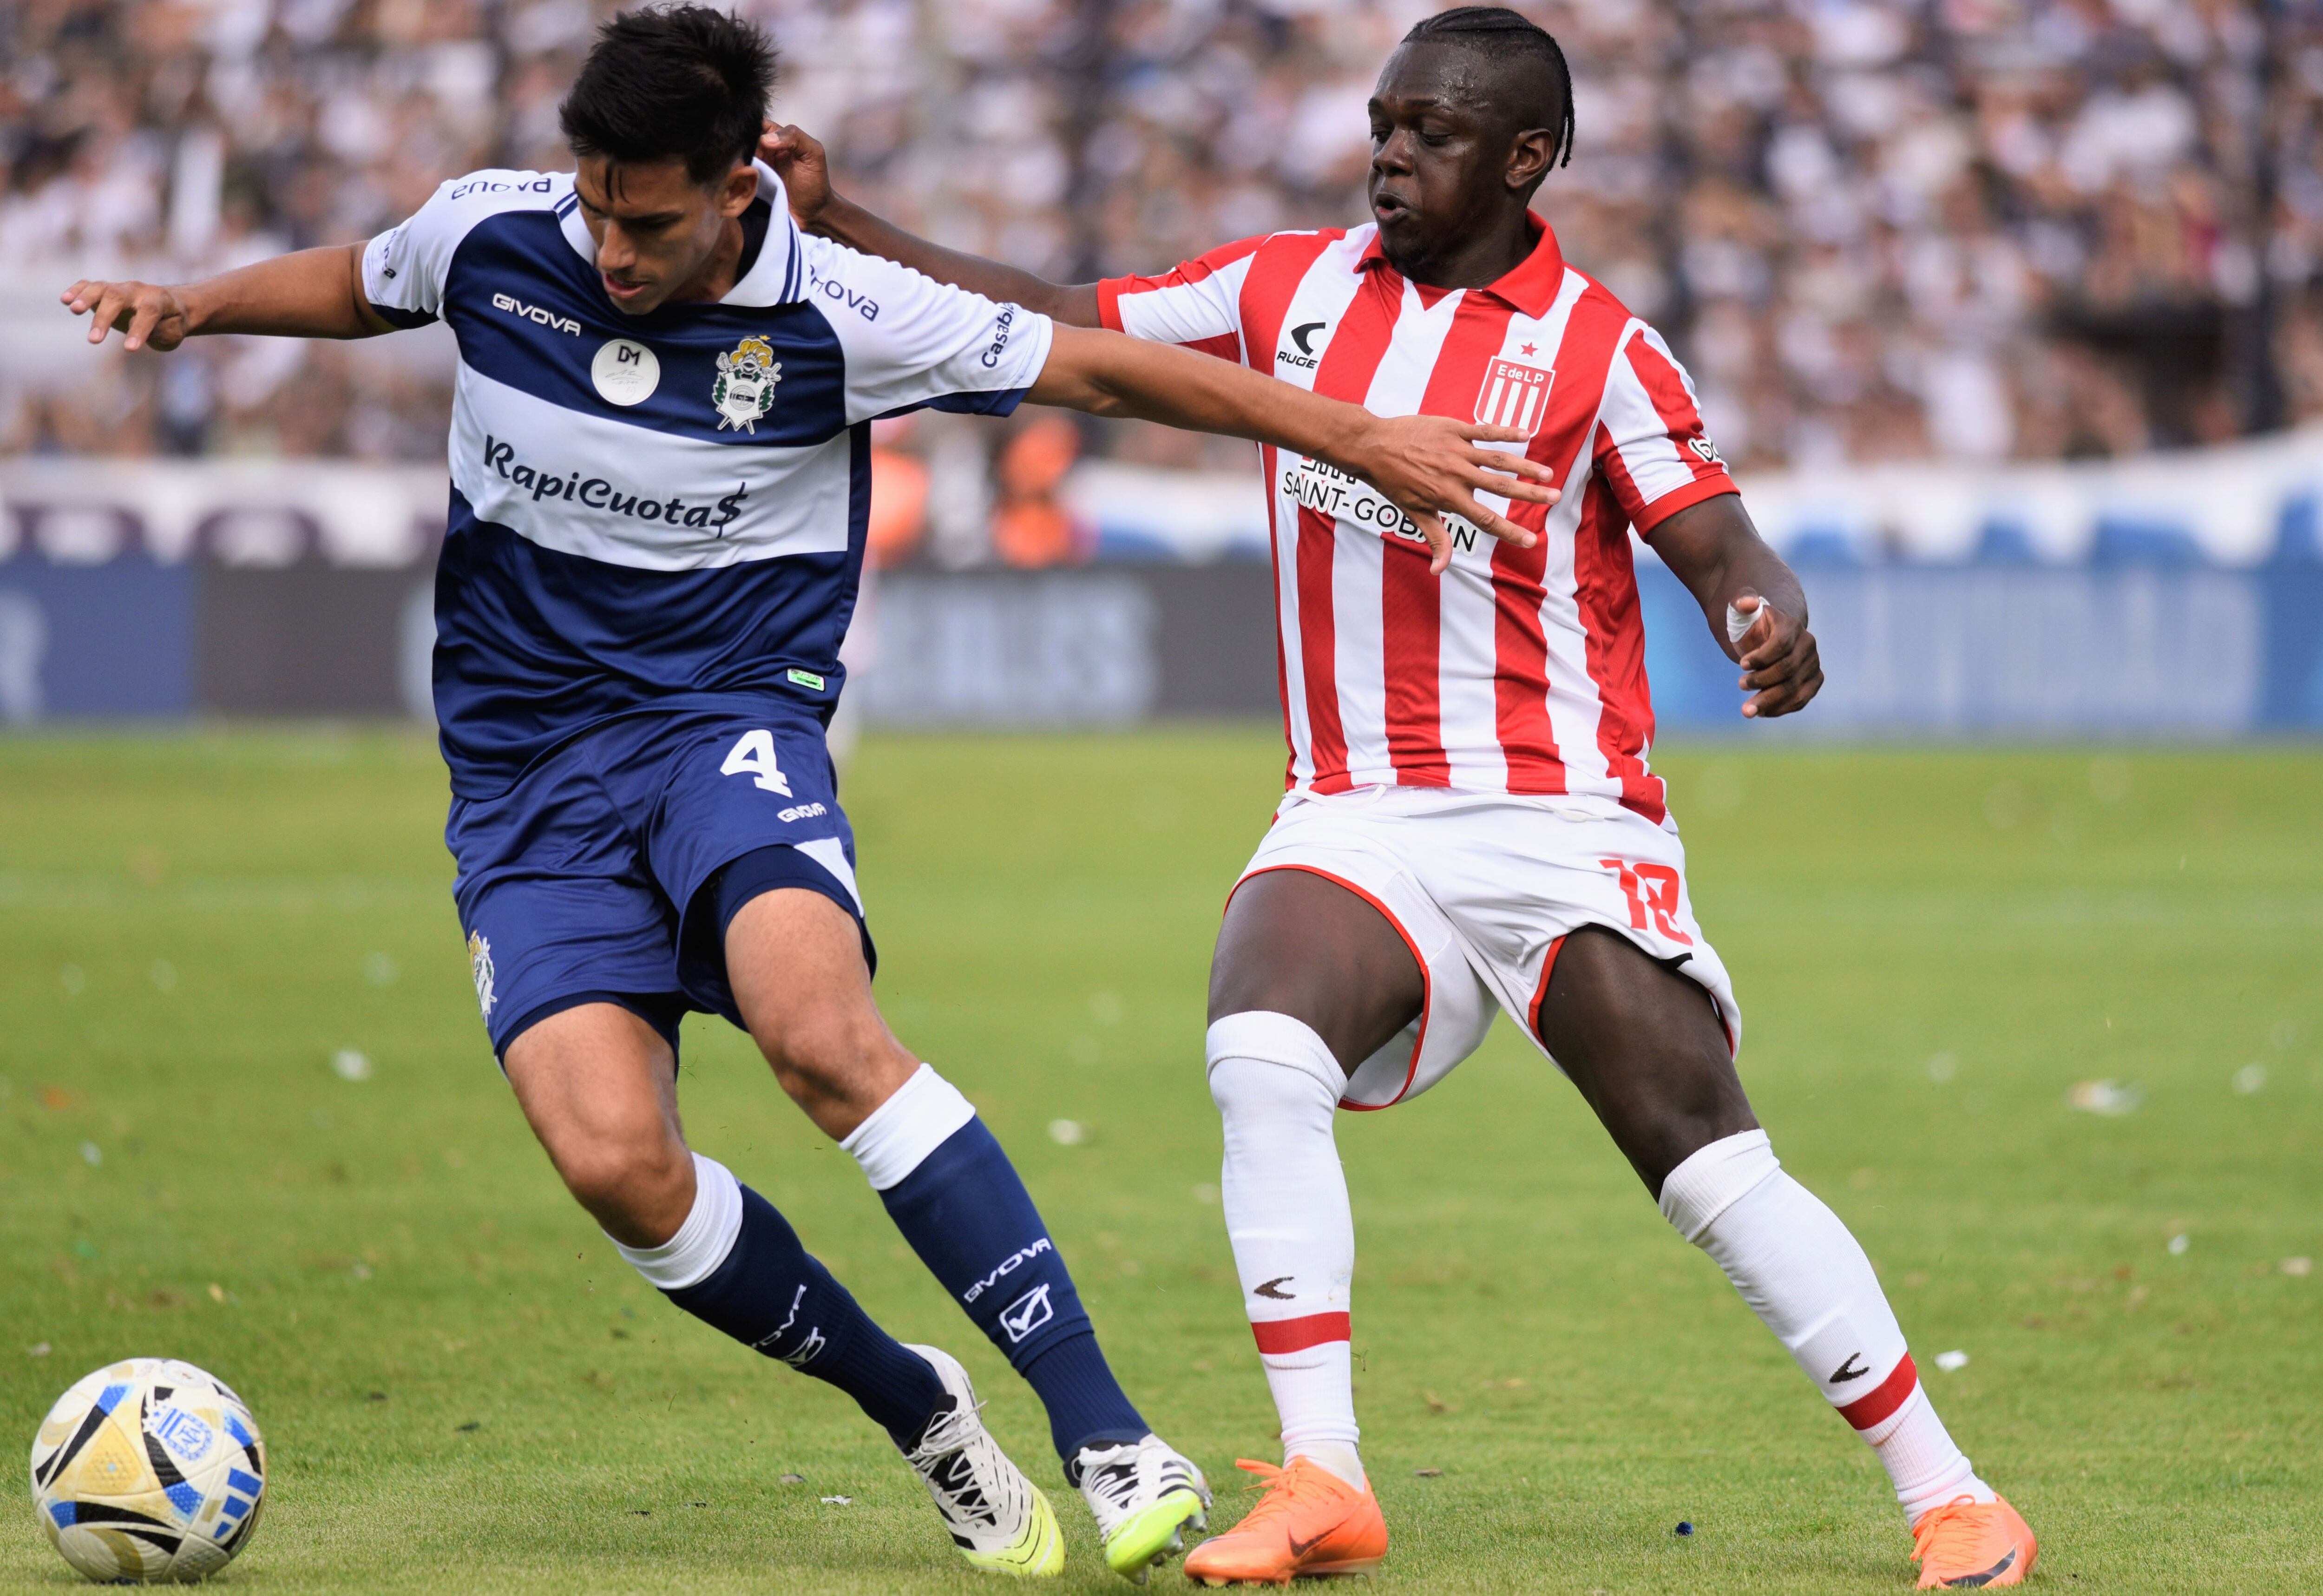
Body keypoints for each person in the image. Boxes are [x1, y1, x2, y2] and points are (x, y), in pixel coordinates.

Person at [60, 7, 1553, 1582]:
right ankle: (917, 1406)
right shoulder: (495, 233)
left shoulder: (847, 310)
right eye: (594, 207)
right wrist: (199, 308)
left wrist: (1355, 435)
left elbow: (1111, 374)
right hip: (521, 777)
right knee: (615, 1166)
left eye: (647, 221)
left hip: (725, 724)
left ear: (731, 189)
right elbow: (368, 282)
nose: (611, 248)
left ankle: (1107, 1433)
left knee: (820, 1031)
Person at [766, 7, 2037, 1588]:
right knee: (1257, 1048)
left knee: (1704, 1160)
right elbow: (1055, 315)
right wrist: (844, 226)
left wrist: (1766, 619)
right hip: (1353, 805)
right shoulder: (1288, 288)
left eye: (1428, 129)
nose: (1389, 150)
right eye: (1382, 120)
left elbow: (1721, 544)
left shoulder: (1598, 346)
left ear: (1524, 158)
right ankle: (1325, 1473)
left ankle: (1953, 1492)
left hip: (1558, 815)